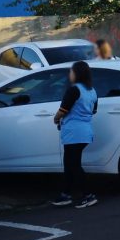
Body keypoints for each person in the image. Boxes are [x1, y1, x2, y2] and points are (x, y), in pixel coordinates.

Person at [51, 61, 99, 209]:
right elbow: (94, 110)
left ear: (77, 73)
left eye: (71, 71)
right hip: (85, 131)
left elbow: (63, 110)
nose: (69, 74)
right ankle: (65, 194)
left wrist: (56, 118)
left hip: (73, 133)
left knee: (74, 165)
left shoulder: (73, 90)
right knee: (70, 164)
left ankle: (88, 195)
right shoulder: (92, 91)